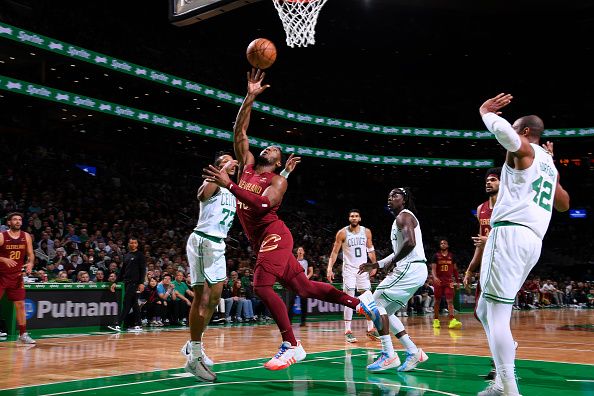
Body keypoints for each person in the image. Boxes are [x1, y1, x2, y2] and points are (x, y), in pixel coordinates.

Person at [202, 68, 381, 371]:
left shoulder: (277, 182)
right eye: (269, 146)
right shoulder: (246, 165)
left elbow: (262, 203)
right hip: (261, 240)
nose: (269, 147)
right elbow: (240, 132)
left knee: (260, 286)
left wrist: (229, 185)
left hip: (275, 235)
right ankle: (359, 304)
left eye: (275, 150)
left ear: (278, 162)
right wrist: (249, 96)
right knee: (306, 289)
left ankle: (292, 344)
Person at [476, 93, 570, 396]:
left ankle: (509, 388)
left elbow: (508, 137)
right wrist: (553, 168)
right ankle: (503, 381)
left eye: (517, 130)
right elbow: (564, 205)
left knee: (496, 314)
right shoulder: (549, 164)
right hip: (532, 241)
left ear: (526, 132)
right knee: (483, 309)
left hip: (509, 235)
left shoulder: (526, 149)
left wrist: (486, 113)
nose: (513, 135)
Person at [359, 187, 428, 372]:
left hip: (410, 267)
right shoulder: (400, 219)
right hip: (415, 269)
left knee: (373, 304)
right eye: (388, 195)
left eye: (395, 195)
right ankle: (413, 352)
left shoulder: (404, 217)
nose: (390, 198)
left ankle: (388, 354)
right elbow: (399, 250)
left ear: (403, 200)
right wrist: (376, 265)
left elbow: (410, 243)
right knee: (385, 313)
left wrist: (393, 263)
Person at [463, 167, 502, 380]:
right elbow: (480, 244)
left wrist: (490, 241)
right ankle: (504, 349)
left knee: (495, 315)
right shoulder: (481, 209)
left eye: (494, 180)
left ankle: (502, 361)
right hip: (487, 262)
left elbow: (511, 237)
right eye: (487, 180)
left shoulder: (507, 205)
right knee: (482, 313)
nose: (488, 183)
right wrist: (470, 269)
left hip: (504, 261)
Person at [327, 210, 379, 342]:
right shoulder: (342, 233)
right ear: (349, 218)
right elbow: (334, 252)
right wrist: (329, 268)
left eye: (356, 216)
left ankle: (370, 329)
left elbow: (371, 249)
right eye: (352, 216)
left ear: (360, 218)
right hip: (349, 270)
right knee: (349, 299)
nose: (354, 218)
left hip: (363, 270)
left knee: (368, 299)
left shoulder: (366, 232)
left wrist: (374, 265)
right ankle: (348, 330)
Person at [0, 212, 36, 345]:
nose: (18, 221)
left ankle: (23, 334)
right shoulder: (2, 236)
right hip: (1, 275)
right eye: (15, 219)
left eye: (20, 219)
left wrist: (30, 263)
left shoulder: (26, 236)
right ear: (9, 222)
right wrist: (3, 259)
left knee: (20, 305)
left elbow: (31, 254)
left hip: (16, 276)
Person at [108, 237, 146, 333]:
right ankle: (138, 325)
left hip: (135, 283)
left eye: (135, 243)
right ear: (128, 244)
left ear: (137, 244)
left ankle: (118, 324)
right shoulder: (127, 255)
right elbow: (122, 271)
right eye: (131, 243)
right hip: (127, 283)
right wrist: (115, 282)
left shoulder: (140, 255)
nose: (133, 244)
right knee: (134, 304)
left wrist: (141, 283)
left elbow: (143, 269)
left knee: (127, 303)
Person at [430, 239, 462, 329]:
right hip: (438, 281)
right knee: (437, 301)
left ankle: (452, 320)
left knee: (450, 301)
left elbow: (455, 270)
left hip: (449, 281)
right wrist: (435, 277)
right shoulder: (436, 256)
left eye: (444, 243)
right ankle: (436, 320)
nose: (443, 244)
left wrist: (458, 281)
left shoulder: (452, 256)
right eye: (441, 243)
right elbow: (433, 269)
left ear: (447, 245)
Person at [287, 246, 313, 327]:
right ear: (297, 252)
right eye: (299, 250)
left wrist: (306, 278)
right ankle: (289, 321)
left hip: (303, 284)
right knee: (291, 302)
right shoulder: (293, 261)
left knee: (304, 303)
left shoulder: (307, 261)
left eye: (302, 250)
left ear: (304, 252)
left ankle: (303, 322)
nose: (300, 251)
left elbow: (311, 272)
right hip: (294, 283)